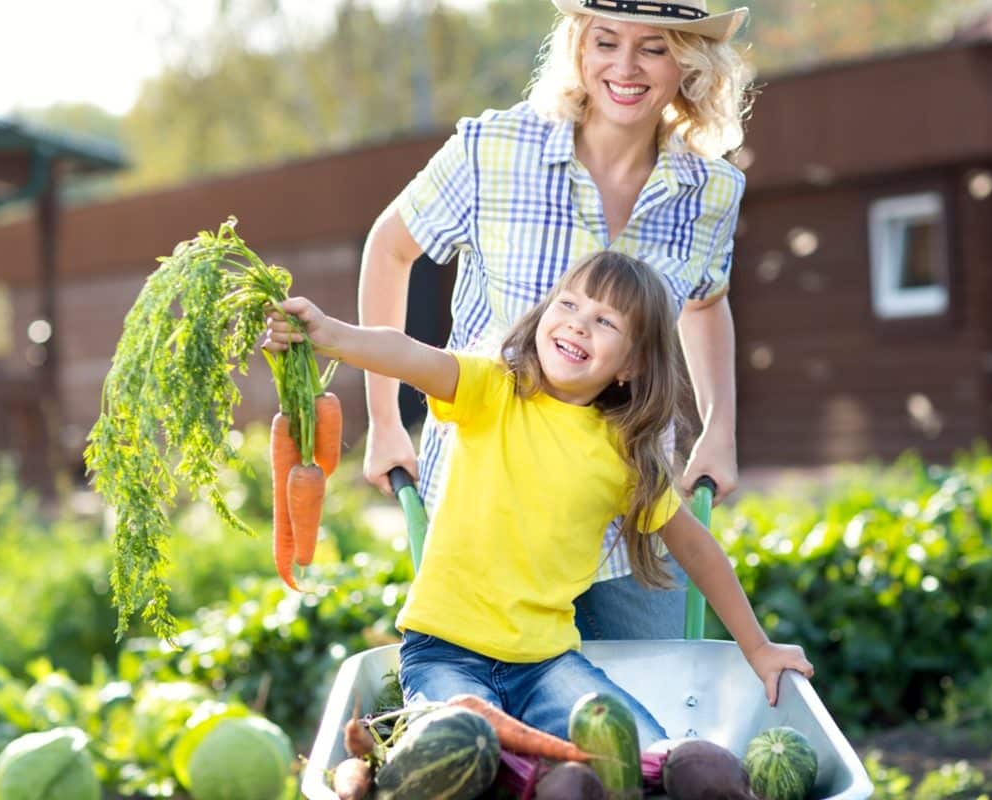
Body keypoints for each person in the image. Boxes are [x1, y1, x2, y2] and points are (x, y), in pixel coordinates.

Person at [264, 251, 813, 744]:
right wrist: (330, 334)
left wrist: (759, 648)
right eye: (569, 304)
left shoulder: (623, 455)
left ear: (632, 365)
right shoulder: (493, 390)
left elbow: (697, 550)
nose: (578, 323)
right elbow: (407, 353)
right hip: (444, 654)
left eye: (605, 321)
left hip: (546, 664)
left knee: (641, 750)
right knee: (454, 750)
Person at [356, 0, 754, 641]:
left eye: (652, 47)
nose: (625, 67)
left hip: (628, 515)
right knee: (501, 718)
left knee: (644, 719)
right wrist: (383, 421)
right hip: (490, 514)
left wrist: (720, 430)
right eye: (605, 41)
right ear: (578, 49)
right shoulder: (493, 149)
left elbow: (707, 301)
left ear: (689, 62)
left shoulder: (710, 192)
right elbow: (390, 248)